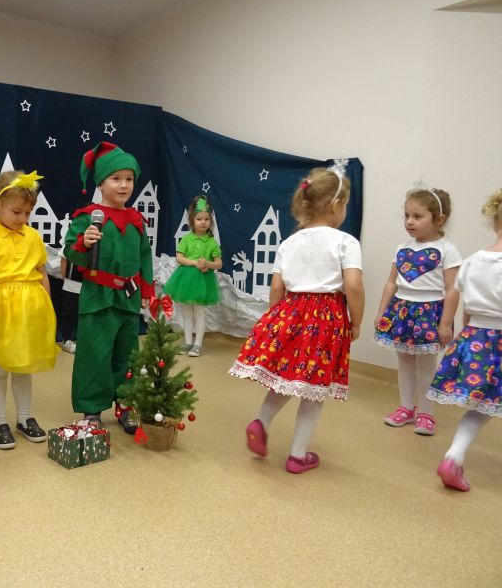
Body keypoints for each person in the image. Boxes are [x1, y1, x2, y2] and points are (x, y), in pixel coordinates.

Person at [229, 164, 364, 474]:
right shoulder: (345, 242)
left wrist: (276, 321)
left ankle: (261, 421)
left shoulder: (289, 242)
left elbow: (277, 286)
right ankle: (297, 455)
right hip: (326, 319)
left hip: (290, 313)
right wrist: (355, 321)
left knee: (287, 378)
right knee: (314, 387)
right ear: (336, 205)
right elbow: (354, 286)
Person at [63, 142, 155, 434]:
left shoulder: (137, 220)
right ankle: (92, 408)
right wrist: (84, 242)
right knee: (95, 353)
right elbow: (70, 251)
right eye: (116, 178)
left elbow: (144, 258)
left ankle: (126, 404)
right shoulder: (87, 216)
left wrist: (148, 292)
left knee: (127, 355)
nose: (124, 185)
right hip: (97, 297)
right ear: (101, 183)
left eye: (129, 179)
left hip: (128, 297)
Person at [0, 170, 57, 449]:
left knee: (23, 367)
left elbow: (42, 274)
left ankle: (24, 417)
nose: (23, 218)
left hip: (29, 313)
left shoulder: (33, 236)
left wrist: (47, 312)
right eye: (17, 212)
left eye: (28, 213)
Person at [427, 189, 502, 491]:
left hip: (477, 339)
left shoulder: (472, 262)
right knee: (485, 407)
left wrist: (468, 337)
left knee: (482, 407)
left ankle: (454, 456)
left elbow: (467, 306)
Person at [373, 185, 460, 436]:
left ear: (438, 219)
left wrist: (446, 323)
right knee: (405, 362)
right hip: (401, 311)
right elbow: (392, 282)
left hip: (429, 314)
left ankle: (426, 413)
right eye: (407, 216)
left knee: (426, 366)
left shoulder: (447, 250)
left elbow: (452, 289)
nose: (410, 221)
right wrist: (381, 312)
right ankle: (405, 408)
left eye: (418, 216)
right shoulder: (402, 248)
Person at [162, 195, 222, 356]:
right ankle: (188, 341)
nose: (203, 222)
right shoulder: (186, 239)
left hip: (202, 282)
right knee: (187, 313)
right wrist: (195, 263)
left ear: (211, 221)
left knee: (199, 312)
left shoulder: (212, 242)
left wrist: (208, 264)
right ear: (192, 220)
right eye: (199, 219)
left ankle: (198, 344)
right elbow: (179, 258)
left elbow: (219, 263)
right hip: (186, 281)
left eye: (206, 219)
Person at [58, 256, 82, 354]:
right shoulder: (71, 245)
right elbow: (64, 259)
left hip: (90, 283)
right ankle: (67, 339)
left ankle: (84, 340)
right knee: (69, 312)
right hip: (72, 282)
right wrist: (66, 280)